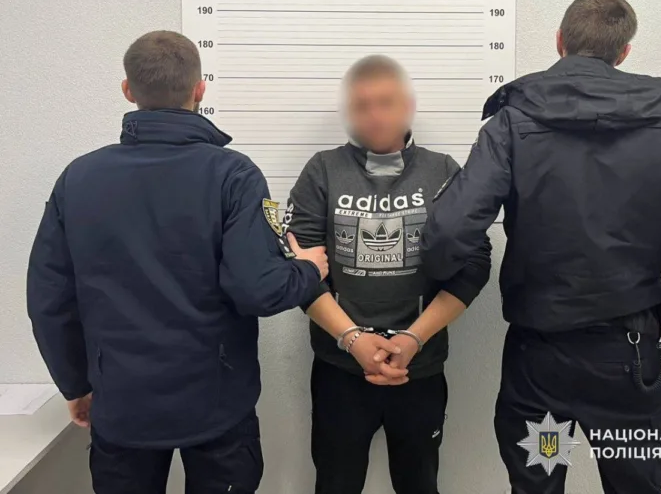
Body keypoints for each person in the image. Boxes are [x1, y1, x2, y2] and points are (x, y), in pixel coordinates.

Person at [25, 31, 395, 494]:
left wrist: (75, 384)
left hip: (121, 401)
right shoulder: (232, 174)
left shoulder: (79, 178)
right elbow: (257, 290)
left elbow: (49, 299)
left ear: (127, 90)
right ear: (200, 89)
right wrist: (307, 269)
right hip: (216, 404)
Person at [420, 0, 661, 494]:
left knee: (540, 485)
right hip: (627, 364)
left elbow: (449, 231)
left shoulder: (512, 123)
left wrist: (434, 274)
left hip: (542, 366)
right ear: (624, 52)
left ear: (559, 41)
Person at [283, 55, 492, 494]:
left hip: (420, 367)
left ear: (407, 106)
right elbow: (300, 270)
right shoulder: (322, 171)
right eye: (362, 105)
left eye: (386, 102)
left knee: (419, 484)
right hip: (341, 369)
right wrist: (352, 339)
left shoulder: (442, 172)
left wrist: (414, 338)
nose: (375, 115)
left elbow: (473, 265)